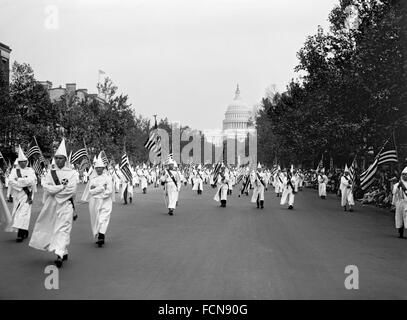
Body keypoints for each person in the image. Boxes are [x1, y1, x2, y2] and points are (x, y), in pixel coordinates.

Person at [29, 138, 78, 268]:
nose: (58, 161)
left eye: (61, 158)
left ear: (65, 160)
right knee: (54, 228)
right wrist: (60, 188)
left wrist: (56, 191)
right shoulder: (50, 173)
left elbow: (71, 190)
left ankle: (59, 255)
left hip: (66, 205)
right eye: (56, 158)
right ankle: (63, 249)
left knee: (63, 228)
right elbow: (46, 187)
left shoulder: (72, 173)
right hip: (52, 206)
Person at [82, 155, 113, 247]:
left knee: (103, 218)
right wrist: (102, 188)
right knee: (96, 219)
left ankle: (101, 235)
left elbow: (109, 191)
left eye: (100, 168)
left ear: (103, 168)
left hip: (105, 201)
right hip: (94, 202)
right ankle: (99, 234)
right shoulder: (92, 178)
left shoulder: (108, 178)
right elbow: (90, 191)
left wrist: (98, 191)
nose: (99, 169)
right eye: (97, 168)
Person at [7, 146, 37, 242]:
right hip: (18, 196)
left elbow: (32, 181)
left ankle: (20, 234)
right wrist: (23, 183)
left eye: (24, 161)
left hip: (28, 196)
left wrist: (19, 180)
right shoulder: (14, 171)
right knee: (18, 214)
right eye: (21, 162)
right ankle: (24, 230)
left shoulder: (30, 170)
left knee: (24, 214)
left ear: (26, 162)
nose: (23, 163)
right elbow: (11, 181)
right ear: (18, 162)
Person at [392, 166, 407, 239]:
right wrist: (398, 186)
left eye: (406, 174)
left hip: (406, 203)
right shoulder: (397, 184)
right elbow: (394, 193)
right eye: (403, 174)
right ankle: (400, 233)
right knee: (399, 217)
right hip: (400, 202)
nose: (405, 176)